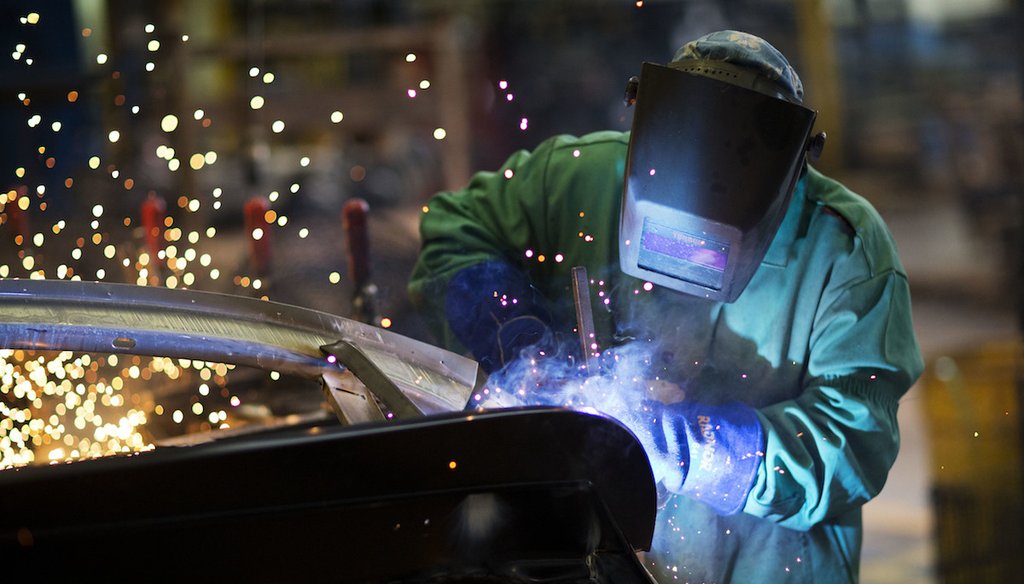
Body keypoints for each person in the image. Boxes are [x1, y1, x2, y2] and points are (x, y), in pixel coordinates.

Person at [408, 30, 923, 583]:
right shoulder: (574, 176)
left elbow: (851, 446)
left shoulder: (847, 252)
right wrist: (516, 335)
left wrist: (686, 445)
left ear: (794, 170)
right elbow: (455, 235)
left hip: (764, 567)